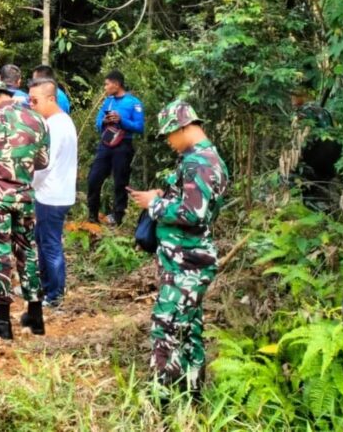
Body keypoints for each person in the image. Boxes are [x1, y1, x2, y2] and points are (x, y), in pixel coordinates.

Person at [127, 100, 228, 399]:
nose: (169, 141)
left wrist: (154, 204)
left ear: (185, 127)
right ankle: (192, 396)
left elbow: (194, 214)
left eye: (170, 134)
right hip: (183, 261)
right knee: (188, 331)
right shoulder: (199, 158)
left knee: (166, 328)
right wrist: (163, 195)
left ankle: (163, 402)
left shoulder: (200, 161)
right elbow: (192, 201)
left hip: (188, 263)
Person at [0, 79, 50, 339]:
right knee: (27, 252)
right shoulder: (38, 120)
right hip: (25, 197)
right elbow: (42, 162)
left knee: (0, 253)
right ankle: (35, 318)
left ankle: (2, 322)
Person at [28, 77, 78, 308]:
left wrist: (29, 182)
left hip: (51, 195)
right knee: (43, 240)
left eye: (34, 100)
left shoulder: (54, 126)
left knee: (50, 244)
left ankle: (54, 295)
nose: (31, 105)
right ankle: (46, 287)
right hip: (57, 192)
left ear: (50, 99)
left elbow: (44, 164)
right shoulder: (64, 121)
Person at [87, 70, 144, 226]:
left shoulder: (134, 103)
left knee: (120, 181)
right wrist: (105, 121)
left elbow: (139, 127)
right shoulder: (108, 101)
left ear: (117, 84)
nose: (105, 87)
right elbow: (97, 122)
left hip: (123, 145)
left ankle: (118, 216)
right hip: (105, 144)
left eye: (107, 84)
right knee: (94, 178)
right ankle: (92, 215)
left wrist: (122, 119)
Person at [280, 86, 341, 210]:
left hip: (319, 149)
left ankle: (306, 204)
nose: (292, 100)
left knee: (292, 171)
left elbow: (303, 138)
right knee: (322, 179)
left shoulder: (303, 111)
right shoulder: (323, 110)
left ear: (302, 97)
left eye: (294, 97)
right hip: (335, 149)